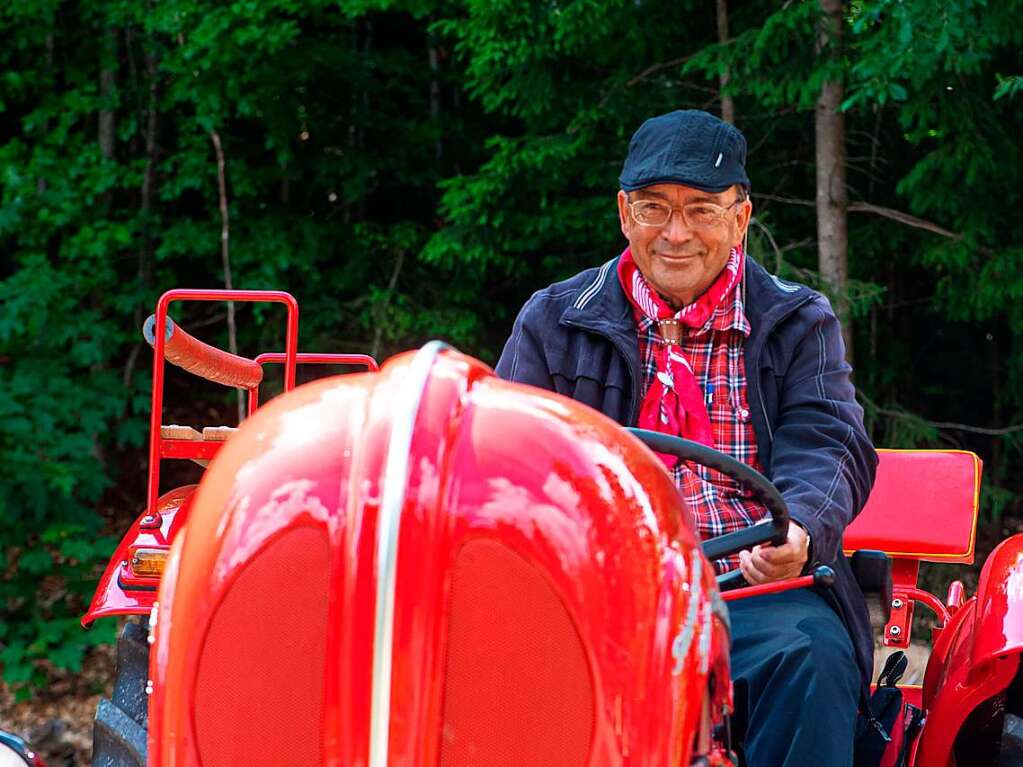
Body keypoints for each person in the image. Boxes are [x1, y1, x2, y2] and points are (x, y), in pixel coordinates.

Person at [494, 109, 878, 766]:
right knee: (491, 659)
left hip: (752, 586)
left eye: (701, 210)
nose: (675, 233)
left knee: (810, 658)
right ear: (623, 212)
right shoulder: (554, 319)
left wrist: (799, 530)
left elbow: (828, 442)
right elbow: (507, 455)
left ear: (740, 218)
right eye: (652, 208)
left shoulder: (795, 320)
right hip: (596, 591)